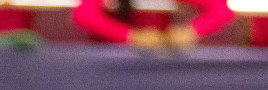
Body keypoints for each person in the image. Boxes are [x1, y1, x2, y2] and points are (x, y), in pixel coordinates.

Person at [74, 0, 233, 49]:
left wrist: (191, 31)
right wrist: (131, 36)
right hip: (112, 65)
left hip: (159, 65)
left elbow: (222, 10)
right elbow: (84, 14)